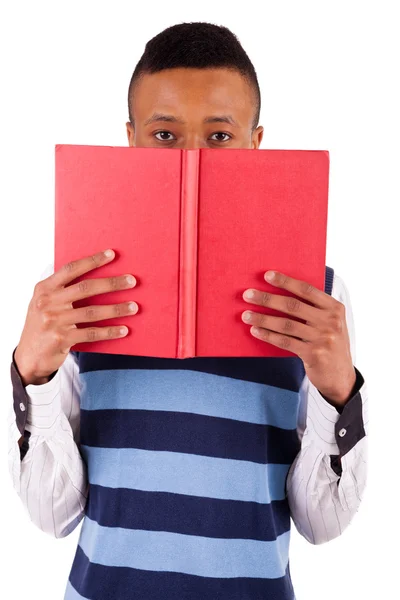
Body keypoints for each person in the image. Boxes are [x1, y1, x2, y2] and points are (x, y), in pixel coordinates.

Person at [8, 22, 368, 600]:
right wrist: (34, 377)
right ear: (130, 140)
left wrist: (337, 392)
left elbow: (321, 525)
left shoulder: (315, 297)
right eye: (165, 135)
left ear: (256, 144)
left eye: (220, 136)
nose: (195, 157)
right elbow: (53, 517)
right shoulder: (73, 294)